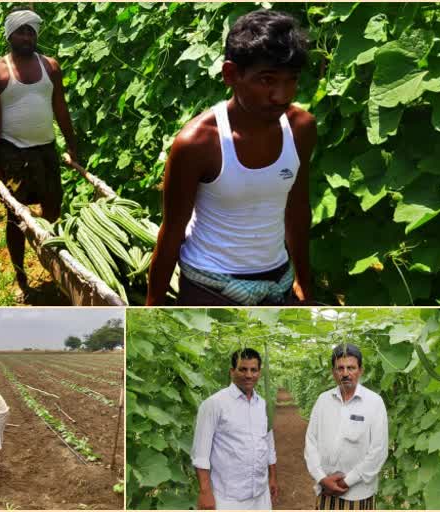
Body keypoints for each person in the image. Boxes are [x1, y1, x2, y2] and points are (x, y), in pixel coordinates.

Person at [146, 9, 316, 306]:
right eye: (267, 80)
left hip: (278, 281)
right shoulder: (199, 142)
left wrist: (303, 280)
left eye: (291, 80)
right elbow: (172, 230)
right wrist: (153, 306)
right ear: (230, 75)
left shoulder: (300, 128)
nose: (281, 94)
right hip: (210, 285)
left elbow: (298, 208)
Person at [0, 7, 78, 299]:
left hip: (46, 150)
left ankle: (56, 269)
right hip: (12, 153)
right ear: (9, 35)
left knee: (53, 210)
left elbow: (60, 108)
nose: (27, 36)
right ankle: (20, 276)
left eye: (31, 31)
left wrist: (72, 145)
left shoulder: (50, 66)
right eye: (21, 31)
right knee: (16, 216)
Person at [191, 348, 278, 510]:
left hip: (260, 494)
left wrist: (272, 477)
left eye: (253, 370)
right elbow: (200, 454)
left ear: (259, 372)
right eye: (243, 369)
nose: (249, 375)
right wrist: (205, 492)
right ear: (232, 371)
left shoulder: (264, 405)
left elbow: (269, 444)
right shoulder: (214, 404)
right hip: (227, 498)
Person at [304, 344, 389, 510]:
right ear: (333, 372)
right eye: (340, 368)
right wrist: (321, 478)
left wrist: (346, 481)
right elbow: (311, 441)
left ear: (360, 370)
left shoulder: (374, 403)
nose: (345, 373)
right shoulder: (323, 400)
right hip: (325, 490)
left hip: (358, 493)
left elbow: (378, 451)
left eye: (351, 368)